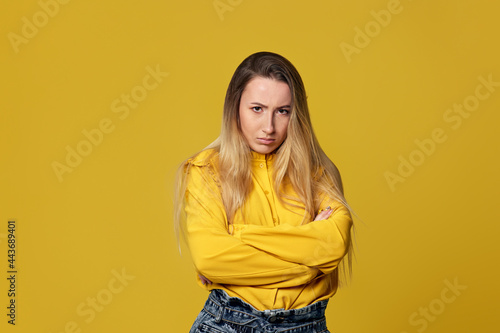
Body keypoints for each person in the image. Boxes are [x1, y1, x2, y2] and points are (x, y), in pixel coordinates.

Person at [174, 51, 354, 333]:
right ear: (235, 108)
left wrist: (241, 235)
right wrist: (309, 268)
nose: (268, 127)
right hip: (227, 324)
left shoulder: (318, 175)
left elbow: (333, 244)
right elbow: (211, 258)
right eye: (257, 109)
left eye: (282, 111)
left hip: (307, 325)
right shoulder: (206, 171)